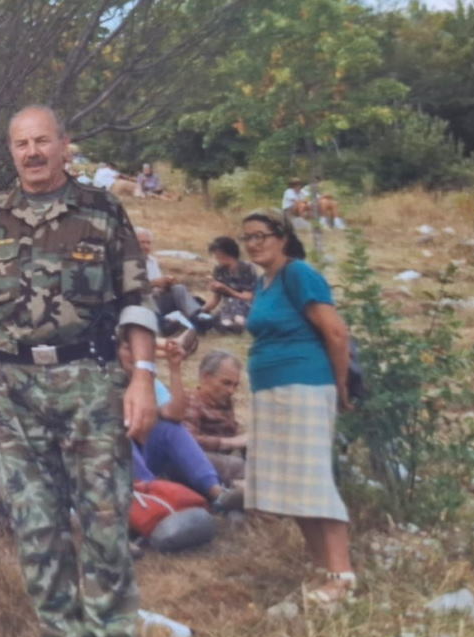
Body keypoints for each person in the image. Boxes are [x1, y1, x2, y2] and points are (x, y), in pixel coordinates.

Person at [0, 105, 159, 637]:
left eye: (43, 141)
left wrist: (142, 375)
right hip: (15, 395)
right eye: (21, 144)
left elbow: (137, 298)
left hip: (90, 388)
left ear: (66, 145)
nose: (32, 153)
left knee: (104, 532)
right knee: (37, 535)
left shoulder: (102, 210)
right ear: (11, 150)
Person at [239, 208, 354, 605]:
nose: (254, 243)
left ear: (282, 237)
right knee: (294, 484)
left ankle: (342, 576)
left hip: (306, 385)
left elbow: (336, 332)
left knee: (315, 479)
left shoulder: (298, 273)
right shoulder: (263, 283)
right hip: (271, 390)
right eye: (248, 237)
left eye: (262, 235)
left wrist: (340, 384)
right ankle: (322, 568)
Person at [126, 339, 242, 512]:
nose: (231, 391)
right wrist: (231, 443)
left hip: (149, 455)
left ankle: (217, 494)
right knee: (118, 435)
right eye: (128, 349)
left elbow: (175, 416)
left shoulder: (148, 382)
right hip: (123, 463)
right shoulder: (99, 383)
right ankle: (152, 498)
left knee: (170, 429)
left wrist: (175, 368)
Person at [182, 350, 247, 487]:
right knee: (240, 467)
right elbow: (186, 443)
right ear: (206, 377)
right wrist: (230, 442)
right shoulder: (190, 400)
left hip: (222, 460)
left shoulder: (223, 402)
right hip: (199, 463)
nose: (231, 391)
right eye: (226, 383)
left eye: (235, 385)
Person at [135, 227, 206, 331]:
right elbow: (131, 288)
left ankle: (197, 318)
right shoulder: (127, 262)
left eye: (148, 243)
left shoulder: (152, 261)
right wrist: (153, 283)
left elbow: (159, 286)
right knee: (148, 298)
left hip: (156, 298)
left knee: (178, 289)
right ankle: (164, 324)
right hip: (140, 303)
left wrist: (166, 284)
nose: (146, 246)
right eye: (142, 243)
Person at [202, 236, 256, 333]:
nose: (216, 257)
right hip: (228, 307)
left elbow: (249, 296)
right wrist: (200, 311)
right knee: (217, 316)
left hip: (246, 305)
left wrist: (227, 290)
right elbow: (216, 299)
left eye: (217, 254)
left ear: (226, 253)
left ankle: (237, 323)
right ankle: (229, 325)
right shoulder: (219, 270)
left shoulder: (247, 268)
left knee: (236, 304)